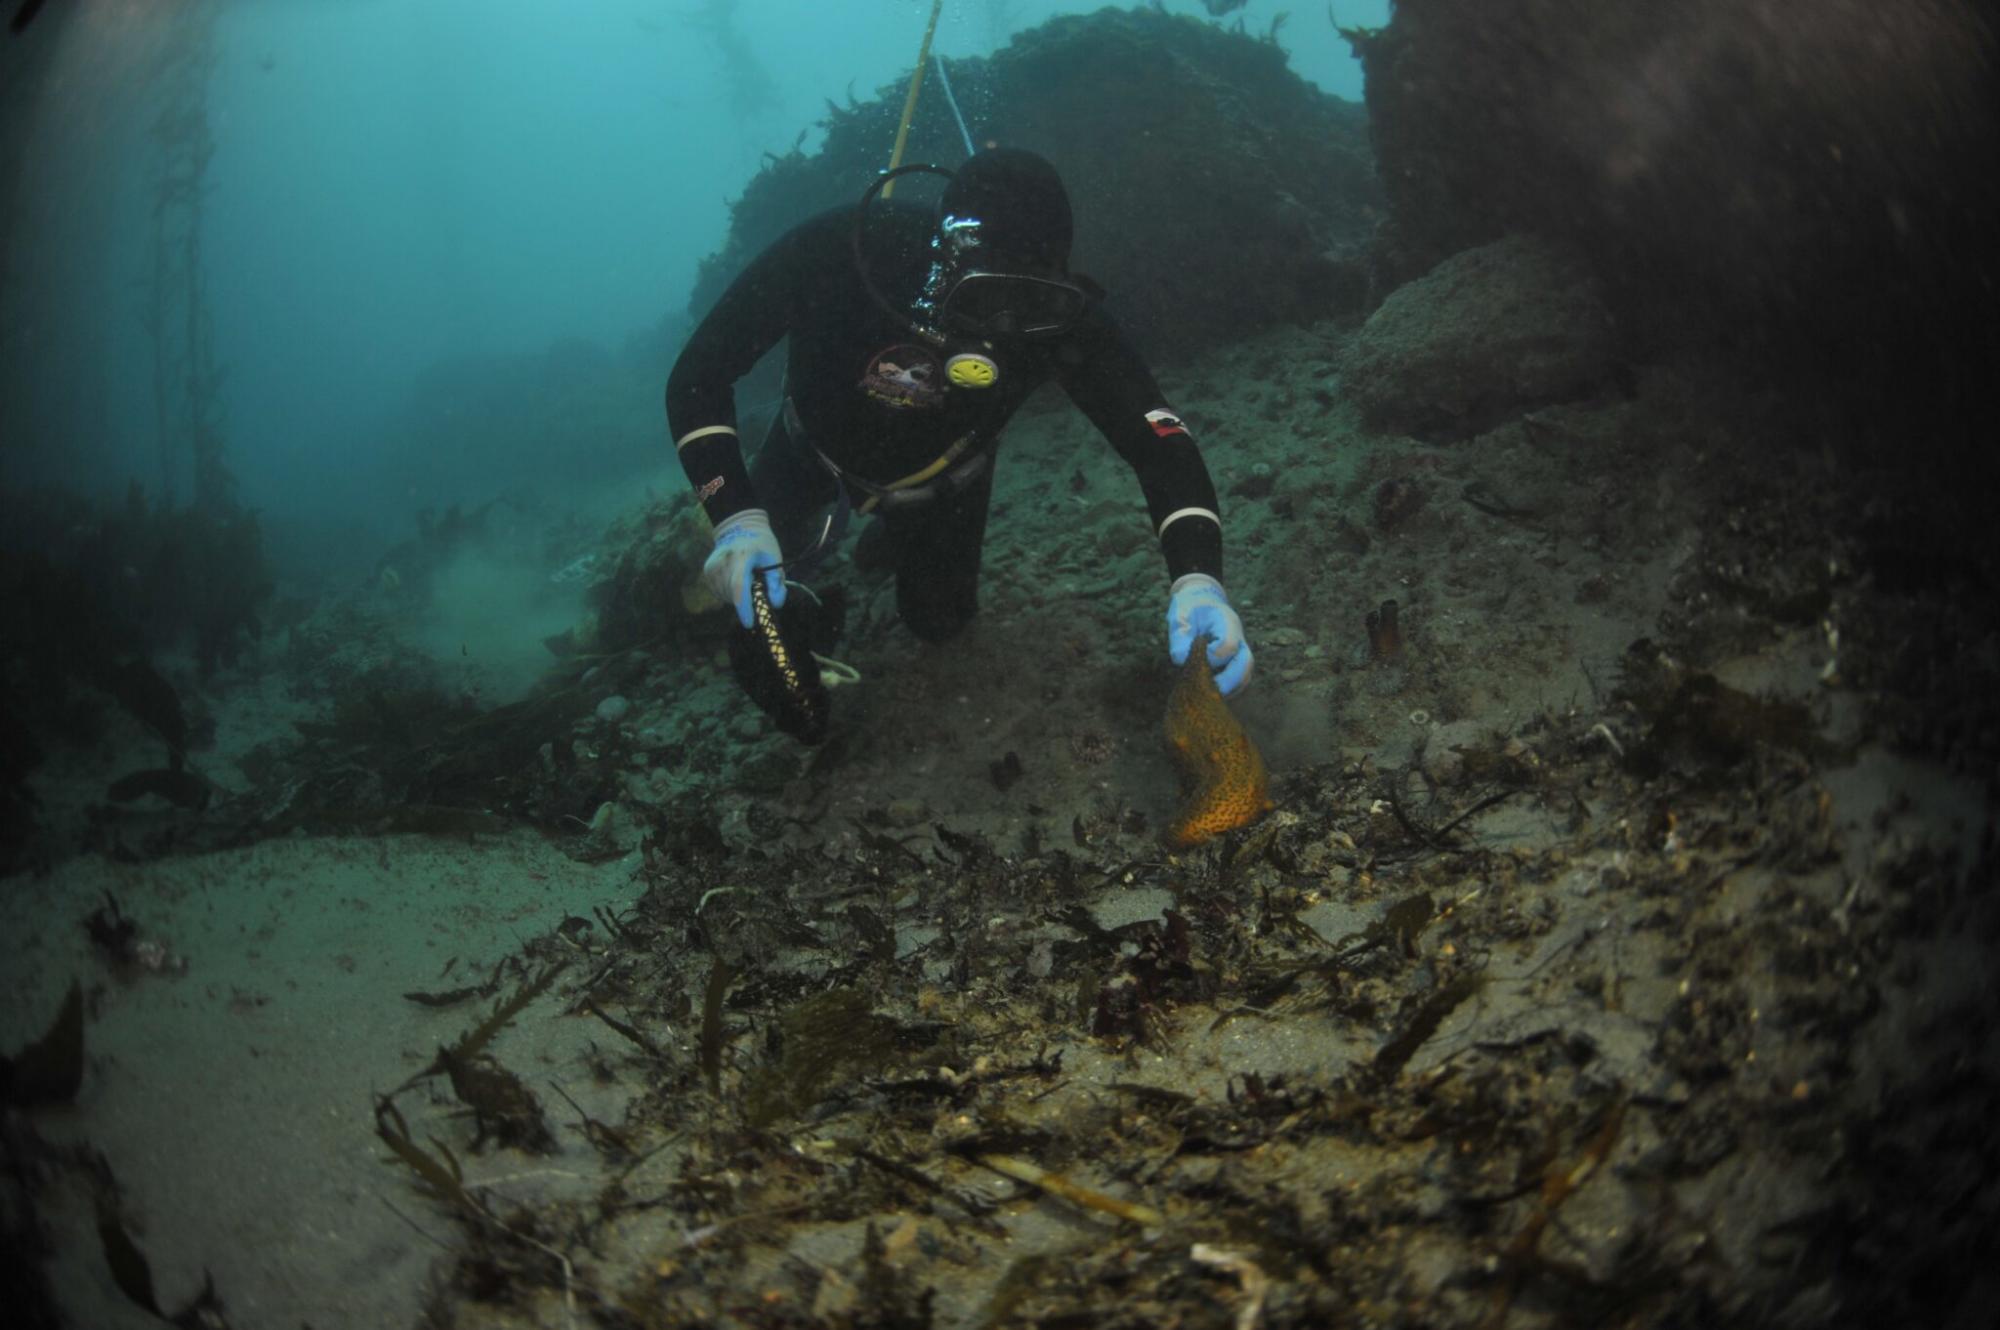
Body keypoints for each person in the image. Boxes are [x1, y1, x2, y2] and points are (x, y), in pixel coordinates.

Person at [665, 146, 1253, 716]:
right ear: (945, 260)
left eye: (1028, 298)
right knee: (756, 630)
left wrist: (1199, 576)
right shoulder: (845, 252)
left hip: (944, 483)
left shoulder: (1061, 321)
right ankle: (813, 575)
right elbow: (698, 377)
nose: (1003, 326)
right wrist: (736, 518)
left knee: (940, 623)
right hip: (807, 451)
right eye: (985, 295)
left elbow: (1160, 445)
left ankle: (889, 540)